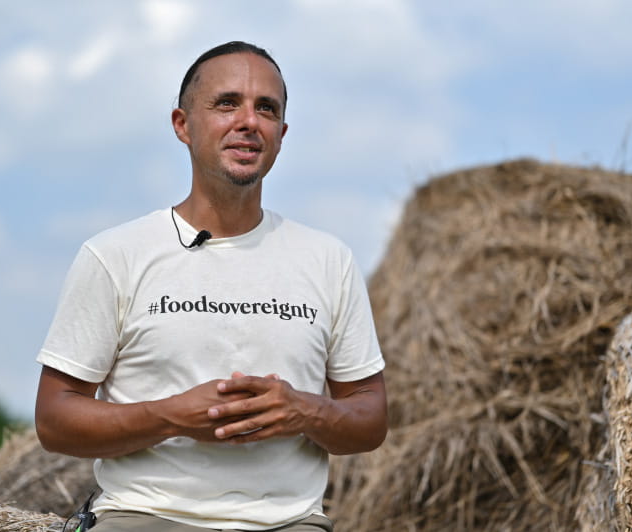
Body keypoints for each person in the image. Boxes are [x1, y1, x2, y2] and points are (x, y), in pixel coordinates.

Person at [34, 41, 387, 532]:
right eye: (227, 103)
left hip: (288, 523)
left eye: (266, 108)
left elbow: (370, 417)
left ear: (281, 135)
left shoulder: (329, 260)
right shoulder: (115, 255)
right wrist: (171, 416)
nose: (249, 121)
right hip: (144, 516)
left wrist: (302, 410)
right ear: (183, 125)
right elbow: (54, 421)